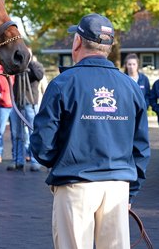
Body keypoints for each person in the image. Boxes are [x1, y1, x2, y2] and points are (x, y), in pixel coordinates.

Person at [31, 13, 150, 249]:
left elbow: (42, 146)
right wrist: (130, 193)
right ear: (109, 45)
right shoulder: (131, 86)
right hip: (117, 187)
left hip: (75, 184)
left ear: (77, 41)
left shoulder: (63, 83)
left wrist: (61, 159)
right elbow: (141, 148)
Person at [13, 51, 45, 172]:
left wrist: (29, 62)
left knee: (33, 132)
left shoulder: (36, 66)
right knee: (17, 133)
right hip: (17, 102)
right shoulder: (18, 67)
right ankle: (18, 160)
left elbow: (39, 75)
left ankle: (35, 161)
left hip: (30, 102)